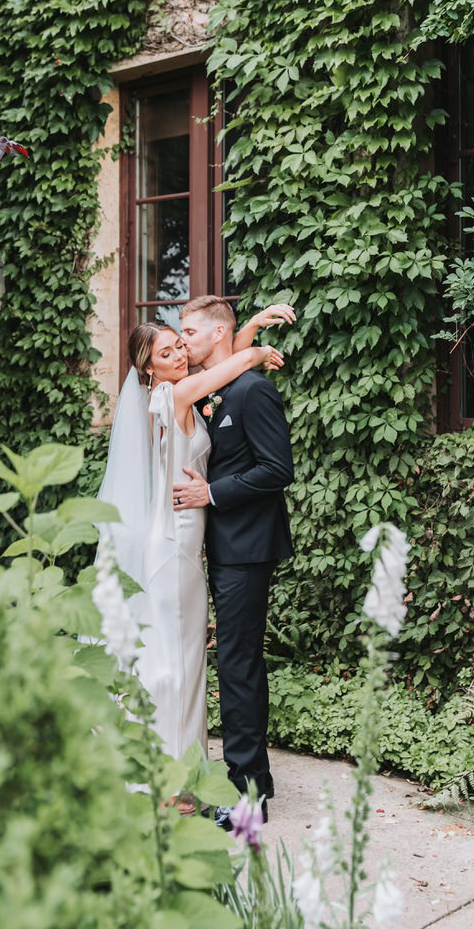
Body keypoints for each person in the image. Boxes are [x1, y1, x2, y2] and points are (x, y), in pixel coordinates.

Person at [97, 304, 293, 788]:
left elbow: (222, 363)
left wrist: (245, 332)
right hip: (176, 542)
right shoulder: (176, 395)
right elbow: (231, 363)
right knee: (173, 659)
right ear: (148, 369)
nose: (181, 350)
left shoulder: (178, 392)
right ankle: (168, 776)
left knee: (184, 656)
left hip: (191, 541)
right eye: (169, 348)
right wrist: (257, 350)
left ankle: (188, 773)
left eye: (183, 340)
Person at [173, 295, 295, 829]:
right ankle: (250, 782)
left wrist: (211, 495)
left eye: (191, 335)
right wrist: (248, 334)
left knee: (238, 667)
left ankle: (250, 798)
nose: (184, 344)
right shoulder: (219, 386)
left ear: (217, 336)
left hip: (247, 549)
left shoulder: (253, 391)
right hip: (221, 549)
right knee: (234, 665)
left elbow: (277, 470)